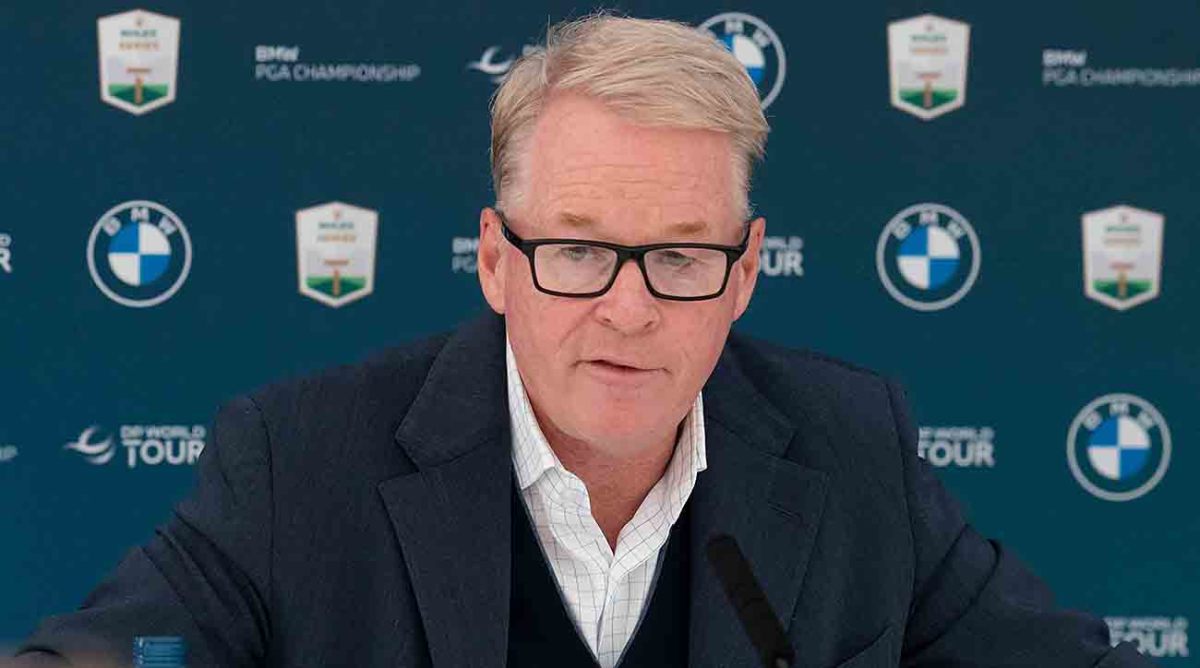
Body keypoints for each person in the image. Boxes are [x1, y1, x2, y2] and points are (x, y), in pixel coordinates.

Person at [13, 14, 1152, 668]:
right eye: (577, 249)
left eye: (681, 256)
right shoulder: (299, 460)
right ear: (496, 260)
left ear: (746, 272)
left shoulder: (854, 451)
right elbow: (113, 654)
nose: (629, 307)